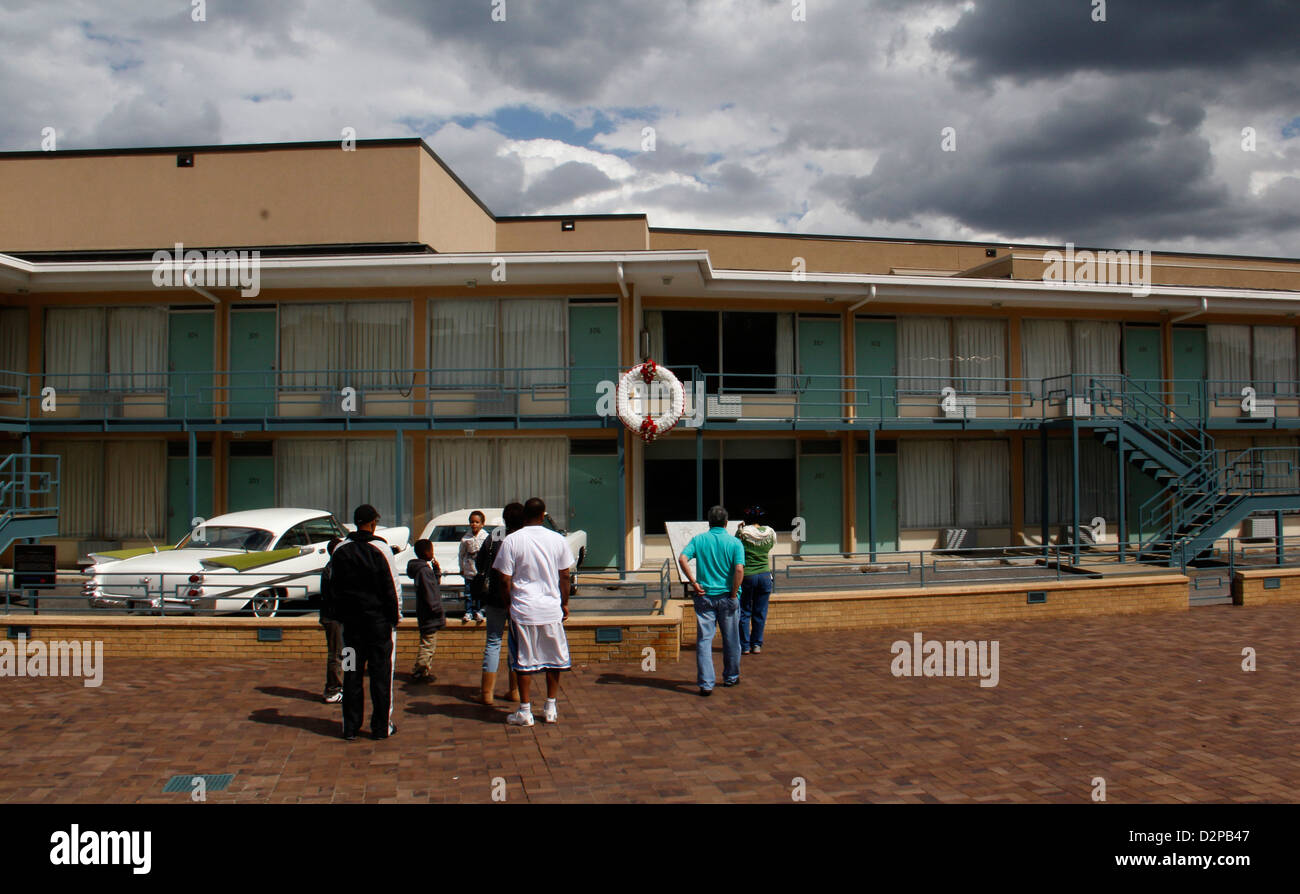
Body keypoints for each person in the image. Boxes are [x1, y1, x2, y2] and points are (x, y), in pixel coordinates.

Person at [492, 497, 574, 726]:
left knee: (523, 660)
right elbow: (565, 575)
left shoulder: (512, 540)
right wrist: (565, 603)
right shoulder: (557, 540)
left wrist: (509, 603)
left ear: (524, 514)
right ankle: (550, 707)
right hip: (550, 609)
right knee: (554, 659)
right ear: (543, 514)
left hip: (523, 609)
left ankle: (525, 710)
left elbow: (504, 578)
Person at [327, 503, 402, 740]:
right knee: (381, 677)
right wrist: (396, 617)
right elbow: (393, 588)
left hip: (351, 629)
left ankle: (350, 727)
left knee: (351, 675)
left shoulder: (340, 550)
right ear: (372, 523)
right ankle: (381, 727)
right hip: (379, 627)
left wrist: (339, 617)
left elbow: (333, 588)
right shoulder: (381, 549)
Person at [678, 505, 745, 696]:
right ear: (726, 523)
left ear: (709, 522)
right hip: (727, 597)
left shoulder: (699, 540)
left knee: (704, 640)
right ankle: (731, 677)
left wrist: (693, 582)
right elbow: (739, 570)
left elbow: (683, 558)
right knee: (731, 639)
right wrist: (734, 593)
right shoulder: (734, 543)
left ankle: (706, 683)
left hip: (705, 596)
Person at [476, 502, 524, 705]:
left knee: (493, 642)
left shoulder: (496, 535)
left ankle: (487, 693)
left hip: (494, 595)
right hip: (518, 598)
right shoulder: (524, 538)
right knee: (516, 645)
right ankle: (515, 691)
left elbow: (480, 562)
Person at [736, 506, 776, 655]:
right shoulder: (770, 533)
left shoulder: (742, 533)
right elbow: (770, 546)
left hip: (748, 575)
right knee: (760, 612)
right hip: (765, 574)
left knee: (744, 611)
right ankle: (757, 644)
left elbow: (736, 545)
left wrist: (741, 528)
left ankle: (744, 646)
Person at [407, 538, 444, 682]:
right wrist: (436, 609)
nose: (432, 553)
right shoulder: (423, 571)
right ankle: (420, 671)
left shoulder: (423, 570)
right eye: (431, 551)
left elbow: (433, 585)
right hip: (429, 614)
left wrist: (436, 571)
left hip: (425, 612)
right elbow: (431, 592)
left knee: (428, 642)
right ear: (426, 552)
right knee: (428, 644)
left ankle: (424, 671)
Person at [318, 537, 345, 703]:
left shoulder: (337, 568)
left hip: (340, 617)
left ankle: (346, 685)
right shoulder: (333, 570)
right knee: (336, 654)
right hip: (335, 617)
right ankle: (332, 690)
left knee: (347, 652)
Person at [458, 510, 489, 622]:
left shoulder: (486, 537)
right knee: (468, 593)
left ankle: (480, 611)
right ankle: (468, 612)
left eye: (477, 522)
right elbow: (461, 554)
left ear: (482, 524)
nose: (474, 524)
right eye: (472, 522)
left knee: (481, 593)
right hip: (469, 570)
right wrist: (461, 568)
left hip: (481, 572)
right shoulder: (466, 538)